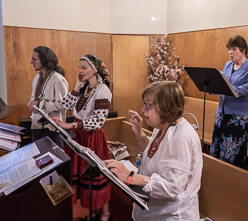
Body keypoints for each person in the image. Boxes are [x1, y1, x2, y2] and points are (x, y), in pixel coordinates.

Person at [104, 81, 203, 221]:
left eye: (149, 105)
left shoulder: (180, 136)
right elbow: (152, 152)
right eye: (144, 103)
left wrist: (130, 176)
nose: (143, 109)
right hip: (154, 211)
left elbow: (171, 186)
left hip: (172, 215)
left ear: (166, 106)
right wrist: (139, 131)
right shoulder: (163, 125)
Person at [53, 54, 112, 221]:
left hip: (92, 137)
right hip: (80, 135)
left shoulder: (103, 90)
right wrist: (77, 85)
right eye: (79, 67)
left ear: (95, 70)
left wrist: (71, 125)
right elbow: (64, 105)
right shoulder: (85, 88)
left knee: (95, 175)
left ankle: (106, 214)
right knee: (82, 176)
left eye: (84, 67)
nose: (80, 71)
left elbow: (98, 121)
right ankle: (93, 211)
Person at [209, 35, 248, 169]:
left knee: (234, 149)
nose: (230, 52)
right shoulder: (227, 65)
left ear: (243, 50)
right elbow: (222, 83)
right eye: (229, 49)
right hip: (222, 112)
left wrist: (226, 89)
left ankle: (232, 176)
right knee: (218, 145)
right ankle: (218, 171)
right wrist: (211, 86)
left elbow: (247, 88)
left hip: (240, 115)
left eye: (234, 49)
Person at [28, 46, 68, 149]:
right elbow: (34, 97)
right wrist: (30, 104)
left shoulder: (58, 79)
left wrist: (39, 104)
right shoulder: (37, 78)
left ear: (44, 59)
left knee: (56, 162)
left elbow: (63, 105)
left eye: (34, 59)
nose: (31, 62)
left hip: (52, 129)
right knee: (38, 159)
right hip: (36, 125)